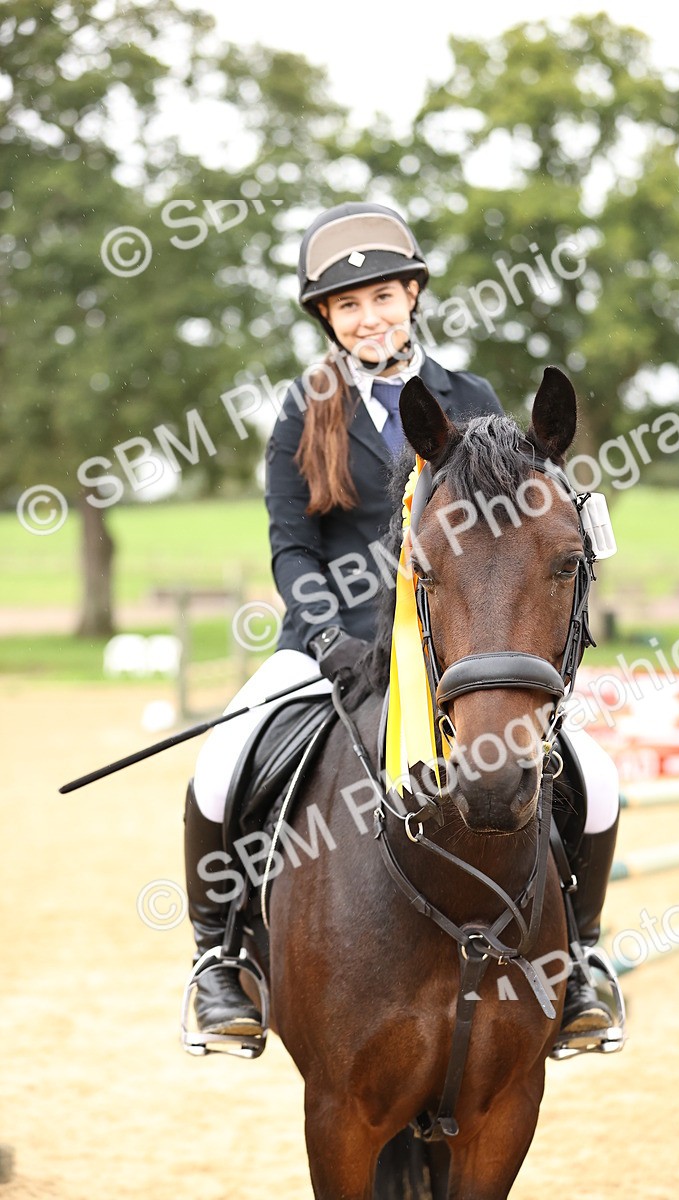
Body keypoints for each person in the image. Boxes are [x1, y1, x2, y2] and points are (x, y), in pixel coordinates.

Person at [182, 201, 621, 1051]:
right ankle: (217, 962)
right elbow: (291, 547)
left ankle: (584, 960)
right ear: (328, 319)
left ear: (413, 293)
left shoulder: (472, 399)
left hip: (460, 644)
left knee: (593, 776)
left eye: (383, 297)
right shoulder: (301, 413)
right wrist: (329, 640)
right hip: (330, 643)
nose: (368, 317)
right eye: (348, 306)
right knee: (219, 763)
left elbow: (506, 539)